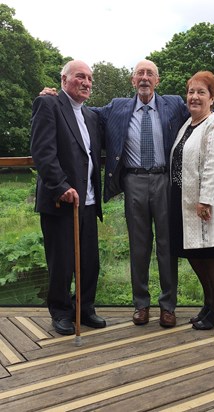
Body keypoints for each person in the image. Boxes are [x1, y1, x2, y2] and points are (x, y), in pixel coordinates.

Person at [40, 59, 214, 328]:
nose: (144, 78)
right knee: (139, 247)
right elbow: (79, 109)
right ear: (133, 80)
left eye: (150, 74)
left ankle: (168, 307)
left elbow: (201, 108)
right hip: (132, 181)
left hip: (164, 181)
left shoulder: (174, 103)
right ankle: (141, 305)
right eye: (140, 73)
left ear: (157, 80)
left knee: (167, 247)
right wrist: (55, 98)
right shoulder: (116, 107)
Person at [31, 60, 106, 335]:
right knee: (62, 262)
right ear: (64, 80)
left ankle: (84, 308)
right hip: (61, 201)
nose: (86, 82)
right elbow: (43, 152)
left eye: (89, 78)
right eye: (79, 76)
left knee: (89, 262)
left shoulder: (92, 116)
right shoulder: (49, 105)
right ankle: (61, 312)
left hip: (86, 201)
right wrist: (60, 186)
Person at [169, 70, 214, 330]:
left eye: (201, 92)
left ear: (212, 98)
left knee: (213, 255)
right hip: (186, 201)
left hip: (209, 203)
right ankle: (209, 303)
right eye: (191, 92)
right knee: (195, 254)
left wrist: (206, 201)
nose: (194, 97)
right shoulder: (187, 125)